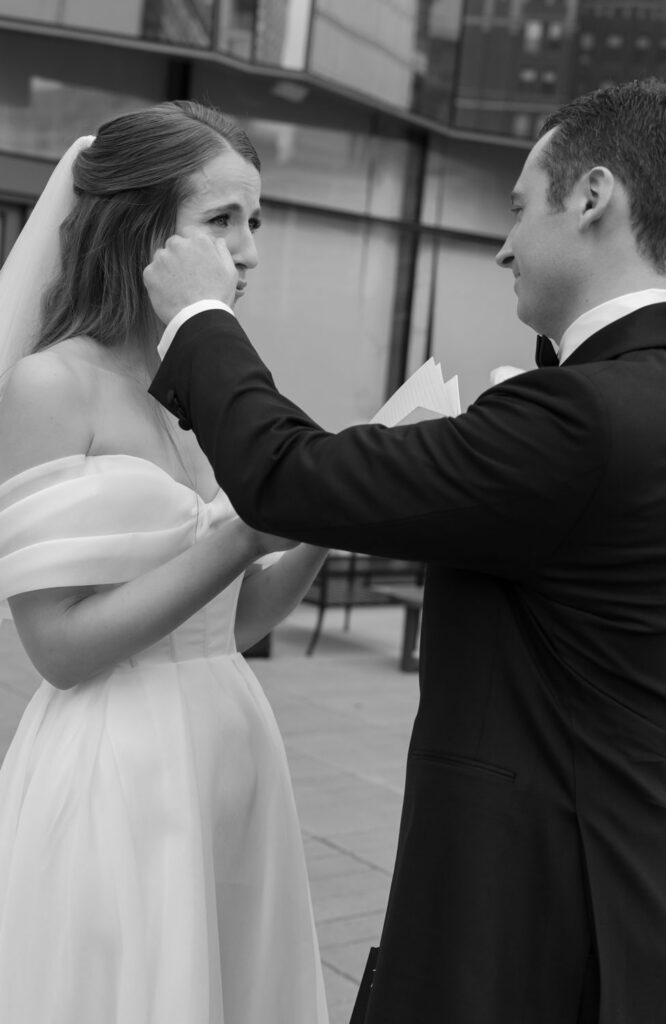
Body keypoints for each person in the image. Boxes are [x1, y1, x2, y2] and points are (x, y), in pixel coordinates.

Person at [144, 78, 666, 1022]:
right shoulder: (639, 396)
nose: (504, 243)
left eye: (519, 207)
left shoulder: (585, 417)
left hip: (534, 914)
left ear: (593, 197)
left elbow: (288, 477)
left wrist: (198, 318)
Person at [0, 102, 330, 1024]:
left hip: (229, 738)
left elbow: (239, 619)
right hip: (125, 763)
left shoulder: (184, 392)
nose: (249, 250)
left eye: (253, 221)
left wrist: (323, 522)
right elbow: (58, 648)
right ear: (140, 229)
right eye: (220, 220)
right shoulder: (50, 384)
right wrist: (238, 534)